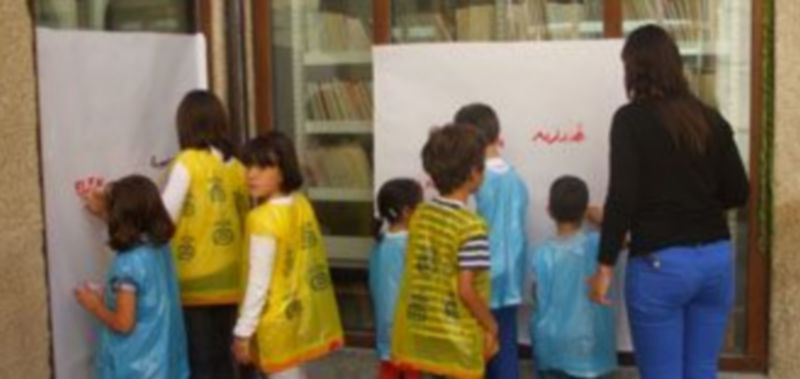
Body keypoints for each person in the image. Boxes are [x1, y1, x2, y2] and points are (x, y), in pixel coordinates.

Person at [587, 25, 749, 379]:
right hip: (716, 261)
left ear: (635, 70)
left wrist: (604, 266)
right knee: (702, 370)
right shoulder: (711, 119)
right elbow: (739, 192)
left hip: (661, 265)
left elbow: (621, 197)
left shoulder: (630, 120)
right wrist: (697, 201)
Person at [231, 133, 344, 379]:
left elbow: (258, 283)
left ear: (283, 171)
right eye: (249, 165)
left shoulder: (262, 219)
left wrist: (243, 332)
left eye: (262, 167)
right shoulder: (301, 204)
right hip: (301, 315)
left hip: (275, 325)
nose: (251, 174)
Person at [391, 123, 498, 379]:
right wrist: (491, 325)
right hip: (458, 341)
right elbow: (466, 289)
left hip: (424, 333)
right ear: (474, 173)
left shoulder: (420, 216)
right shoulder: (472, 227)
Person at [165, 90, 249, 378]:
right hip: (233, 278)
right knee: (225, 358)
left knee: (201, 362)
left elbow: (165, 219)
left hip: (194, 282)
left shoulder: (187, 162)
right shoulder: (237, 166)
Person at [75, 175, 189, 378]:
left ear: (122, 217)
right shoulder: (159, 247)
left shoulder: (127, 265)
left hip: (137, 368)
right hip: (164, 364)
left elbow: (123, 323)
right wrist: (103, 211)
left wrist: (94, 304)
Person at [455, 103, 529, 379]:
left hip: (479, 276)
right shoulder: (516, 178)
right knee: (505, 340)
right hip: (511, 275)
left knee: (477, 342)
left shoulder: (473, 181)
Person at [529, 176, 617, 379]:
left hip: (552, 348)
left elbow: (536, 296)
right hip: (592, 348)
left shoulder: (541, 253)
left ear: (549, 211)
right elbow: (627, 239)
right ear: (585, 210)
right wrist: (603, 220)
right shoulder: (598, 245)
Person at [369, 178, 424, 379]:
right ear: (407, 212)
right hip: (405, 330)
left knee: (388, 371)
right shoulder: (408, 245)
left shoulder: (380, 242)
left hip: (386, 328)